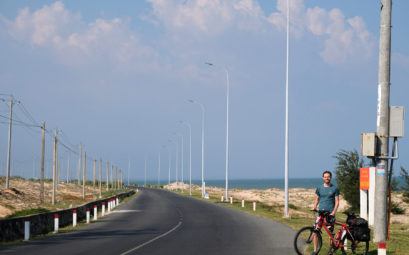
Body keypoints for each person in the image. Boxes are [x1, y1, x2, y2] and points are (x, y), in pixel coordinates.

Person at [311, 170, 340, 255]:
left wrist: (333, 212)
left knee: (331, 233)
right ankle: (315, 251)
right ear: (323, 178)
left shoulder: (334, 188)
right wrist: (314, 206)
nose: (327, 178)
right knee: (316, 232)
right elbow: (317, 199)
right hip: (320, 214)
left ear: (330, 177)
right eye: (325, 177)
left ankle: (330, 251)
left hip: (330, 214)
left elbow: (337, 202)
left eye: (328, 176)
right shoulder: (319, 188)